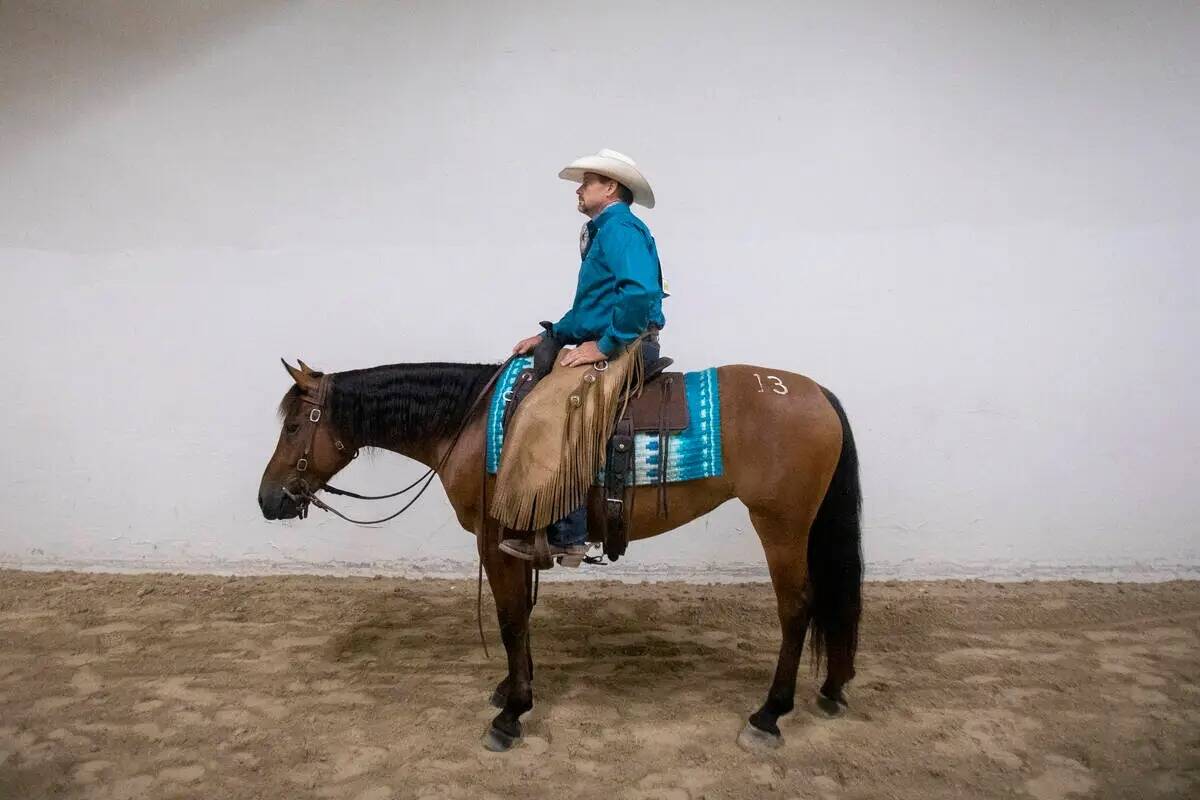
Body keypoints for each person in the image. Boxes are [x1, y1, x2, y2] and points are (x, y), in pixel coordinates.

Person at [501, 149, 666, 562]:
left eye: (586, 182)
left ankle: (569, 532)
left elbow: (639, 292)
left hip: (627, 344)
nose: (578, 189)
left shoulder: (620, 229)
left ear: (609, 187)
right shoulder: (604, 230)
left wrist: (605, 345)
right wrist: (555, 335)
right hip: (616, 336)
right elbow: (594, 304)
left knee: (555, 408)